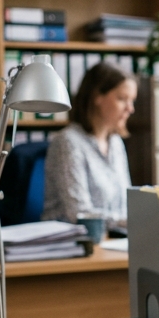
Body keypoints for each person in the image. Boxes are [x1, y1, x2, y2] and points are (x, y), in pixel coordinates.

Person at [42, 63, 136, 229]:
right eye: (122, 99)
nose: (130, 109)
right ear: (97, 96)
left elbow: (126, 204)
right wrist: (132, 222)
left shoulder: (115, 143)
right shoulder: (67, 142)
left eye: (132, 101)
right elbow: (79, 213)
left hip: (111, 240)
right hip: (71, 243)